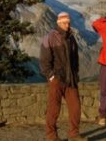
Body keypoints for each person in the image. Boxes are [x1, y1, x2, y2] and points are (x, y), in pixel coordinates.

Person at [40, 12, 84, 141]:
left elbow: (75, 58)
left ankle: (74, 135)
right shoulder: (49, 37)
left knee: (76, 107)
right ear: (59, 23)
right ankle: (51, 136)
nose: (68, 25)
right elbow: (44, 60)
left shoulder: (71, 38)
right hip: (57, 79)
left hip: (71, 78)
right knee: (54, 108)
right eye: (65, 22)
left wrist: (75, 73)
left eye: (69, 22)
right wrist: (51, 76)